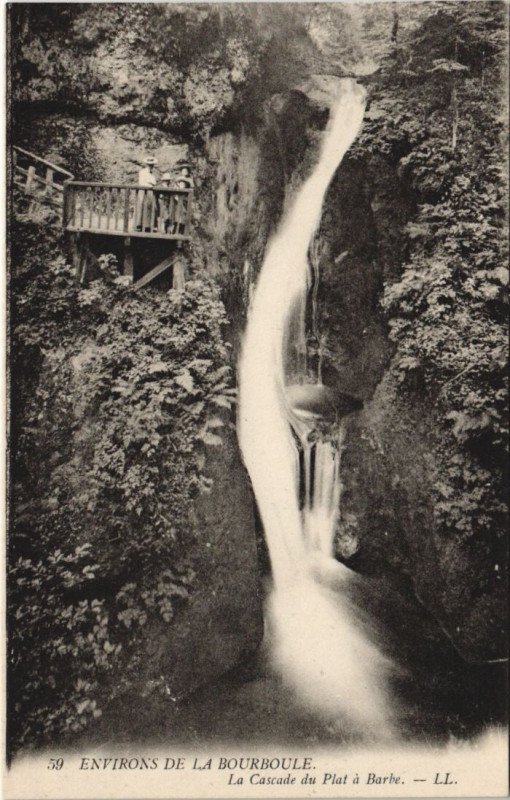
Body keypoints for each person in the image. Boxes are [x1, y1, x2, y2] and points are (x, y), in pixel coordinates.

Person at [136, 156, 158, 231]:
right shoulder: (142, 172)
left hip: (150, 192)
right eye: (149, 164)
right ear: (146, 164)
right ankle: (139, 225)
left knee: (150, 208)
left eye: (152, 165)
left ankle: (148, 225)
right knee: (142, 206)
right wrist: (149, 184)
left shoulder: (153, 174)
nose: (151, 166)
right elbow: (141, 182)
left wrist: (150, 183)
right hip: (143, 191)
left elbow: (154, 183)